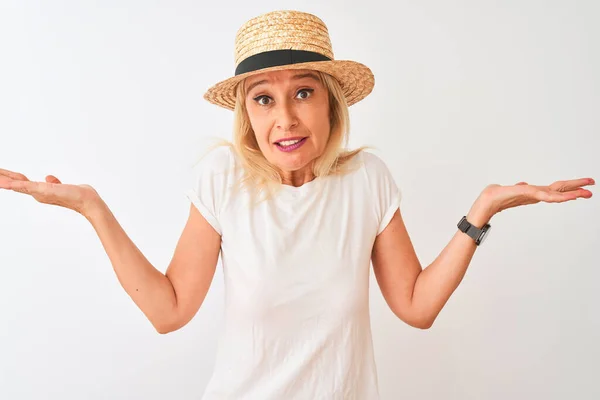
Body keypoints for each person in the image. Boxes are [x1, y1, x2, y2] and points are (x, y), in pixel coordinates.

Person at [0, 9, 594, 400]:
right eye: (263, 99)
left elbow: (415, 307)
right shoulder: (222, 180)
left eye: (303, 93)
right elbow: (169, 310)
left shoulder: (367, 180)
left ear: (331, 104)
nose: (284, 117)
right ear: (247, 114)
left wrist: (482, 212)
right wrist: (93, 208)